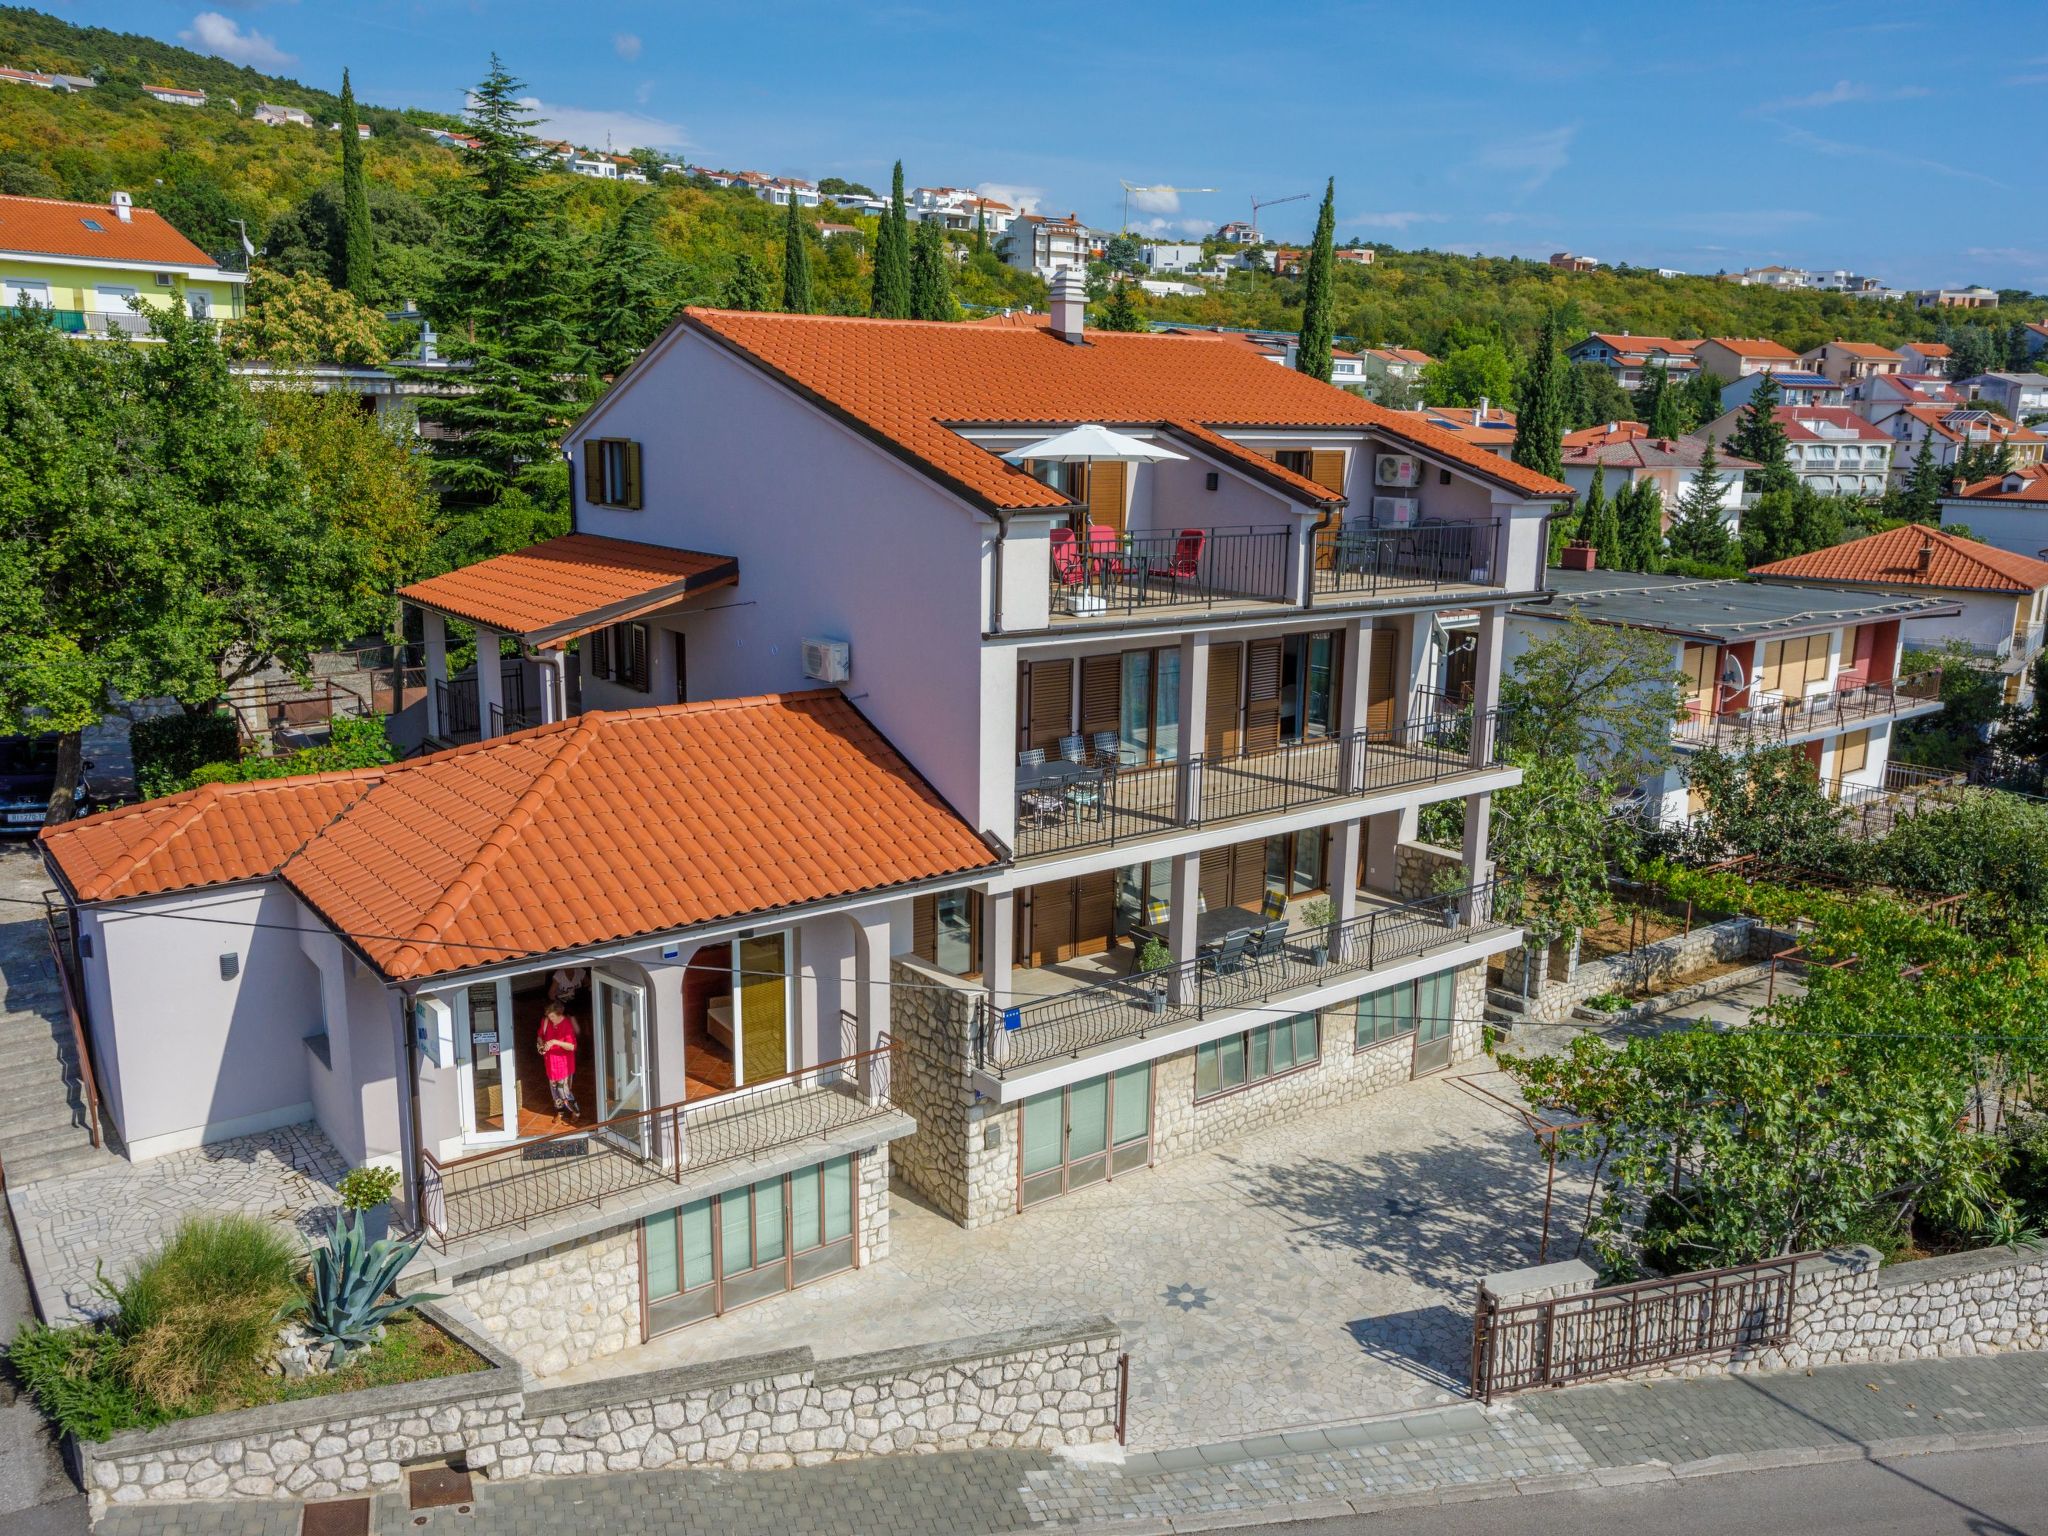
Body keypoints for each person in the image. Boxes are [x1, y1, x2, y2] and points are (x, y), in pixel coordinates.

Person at [536, 1001, 580, 1116]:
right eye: (549, 1016)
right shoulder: (546, 1021)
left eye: (552, 1016)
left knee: (564, 1090)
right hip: (550, 1063)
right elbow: (540, 1036)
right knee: (554, 1090)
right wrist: (542, 1045)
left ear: (559, 1014)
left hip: (564, 1065)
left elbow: (572, 1046)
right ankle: (560, 1112)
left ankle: (575, 1112)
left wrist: (555, 1042)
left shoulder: (567, 1025)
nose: (550, 1019)